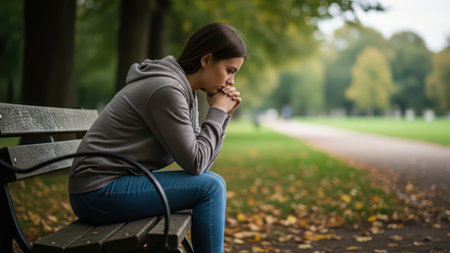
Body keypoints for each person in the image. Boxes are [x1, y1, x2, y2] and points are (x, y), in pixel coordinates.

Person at [68, 23, 247, 253]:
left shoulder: (183, 89)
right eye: (230, 70)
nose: (231, 81)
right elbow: (196, 164)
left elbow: (201, 163)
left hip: (111, 185)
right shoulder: (167, 90)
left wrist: (223, 116)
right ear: (206, 60)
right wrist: (218, 113)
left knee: (213, 183)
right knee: (211, 187)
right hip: (96, 192)